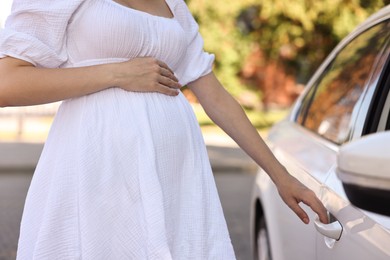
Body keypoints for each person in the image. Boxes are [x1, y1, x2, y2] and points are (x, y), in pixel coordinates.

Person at [0, 0, 328, 259]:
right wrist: (116, 74)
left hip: (177, 181)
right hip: (98, 171)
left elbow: (215, 96)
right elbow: (7, 83)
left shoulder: (175, 5)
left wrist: (280, 176)